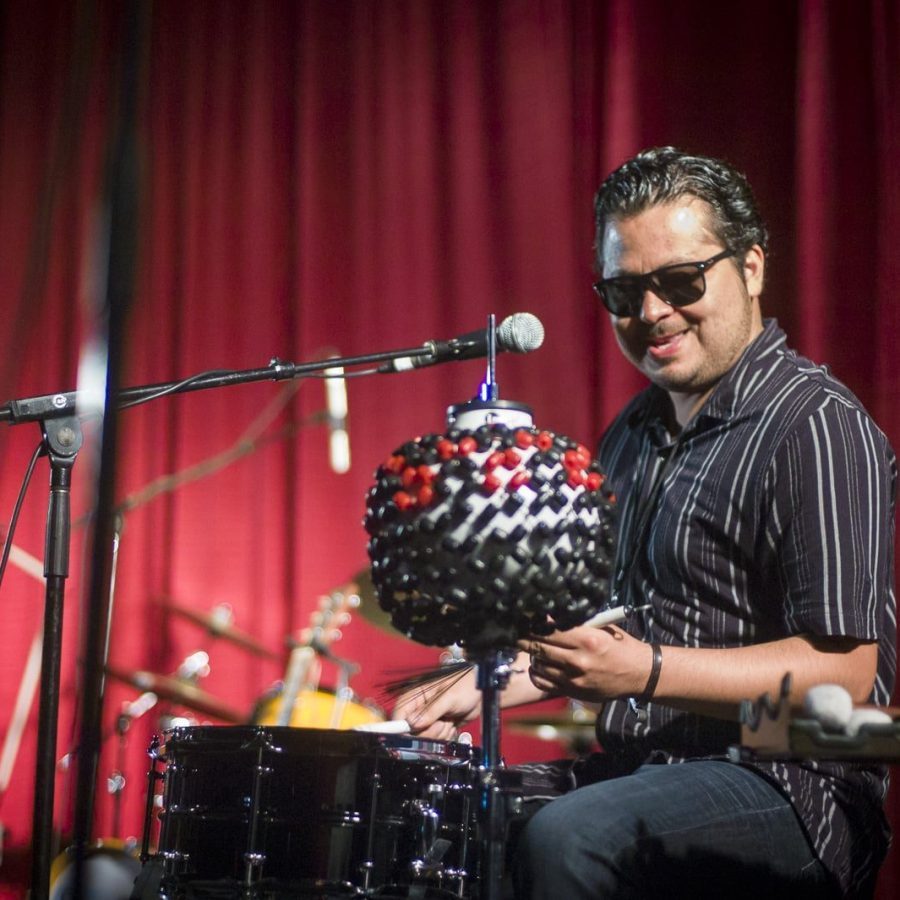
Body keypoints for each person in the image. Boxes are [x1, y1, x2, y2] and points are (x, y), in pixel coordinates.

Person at [392, 147, 897, 899]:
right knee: (448, 819)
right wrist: (481, 682)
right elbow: (609, 638)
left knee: (569, 838)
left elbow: (848, 677)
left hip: (792, 783)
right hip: (646, 767)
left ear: (751, 268)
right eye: (624, 292)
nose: (652, 312)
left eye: (680, 282)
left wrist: (651, 672)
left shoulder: (815, 424)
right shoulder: (633, 433)